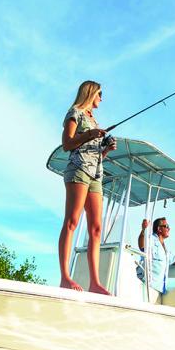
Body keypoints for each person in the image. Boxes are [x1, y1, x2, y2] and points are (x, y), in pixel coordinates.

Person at [57, 80, 116, 292]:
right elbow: (67, 144)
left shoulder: (93, 117)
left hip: (96, 174)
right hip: (78, 170)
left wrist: (106, 149)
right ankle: (65, 277)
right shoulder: (75, 112)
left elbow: (93, 152)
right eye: (100, 94)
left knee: (96, 229)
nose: (102, 98)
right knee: (72, 221)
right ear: (91, 93)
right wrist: (90, 134)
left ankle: (95, 283)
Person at [137, 217, 175, 301]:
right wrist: (143, 230)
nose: (169, 228)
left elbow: (173, 259)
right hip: (148, 286)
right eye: (166, 226)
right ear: (159, 229)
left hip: (159, 289)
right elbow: (142, 245)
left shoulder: (165, 248)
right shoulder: (151, 239)